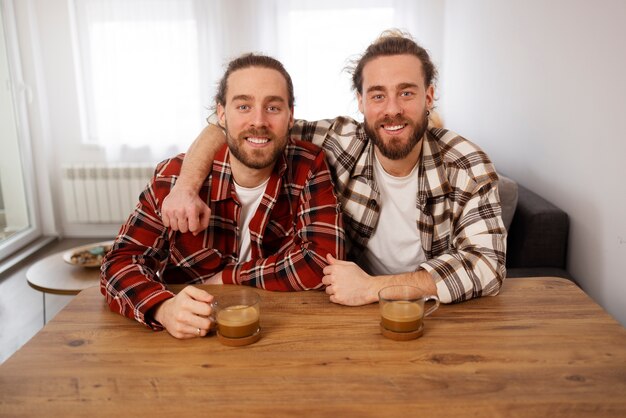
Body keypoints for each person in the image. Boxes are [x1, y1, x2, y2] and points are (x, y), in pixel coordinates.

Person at [160, 30, 507, 307]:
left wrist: (375, 288)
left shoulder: (466, 165)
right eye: (377, 95)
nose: (392, 109)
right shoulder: (339, 141)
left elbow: (487, 266)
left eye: (406, 93)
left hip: (431, 309)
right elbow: (234, 129)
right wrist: (185, 187)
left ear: (429, 96)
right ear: (360, 101)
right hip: (349, 310)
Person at [101, 54, 345, 339]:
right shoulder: (174, 177)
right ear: (221, 115)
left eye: (273, 107)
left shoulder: (308, 164)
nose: (258, 121)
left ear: (291, 115)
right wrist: (163, 308)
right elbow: (118, 264)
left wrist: (230, 277)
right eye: (243, 106)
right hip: (189, 339)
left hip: (280, 331)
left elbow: (320, 261)